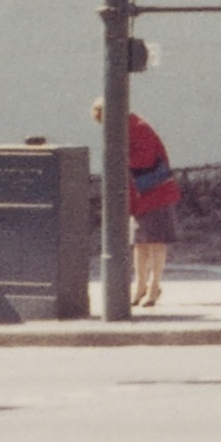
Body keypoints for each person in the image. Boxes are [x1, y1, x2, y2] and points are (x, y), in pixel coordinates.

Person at [89, 97, 182, 310]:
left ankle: (154, 286)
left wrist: (118, 158)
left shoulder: (139, 128)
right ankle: (140, 285)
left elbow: (145, 160)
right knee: (140, 243)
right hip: (140, 195)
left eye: (105, 121)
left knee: (156, 241)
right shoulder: (126, 129)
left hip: (156, 192)